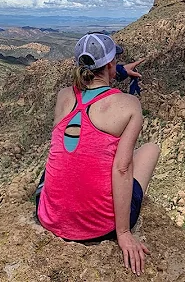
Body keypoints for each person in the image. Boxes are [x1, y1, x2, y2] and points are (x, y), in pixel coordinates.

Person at [36, 32, 160, 276]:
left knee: (67, 156)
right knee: (150, 149)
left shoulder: (64, 96)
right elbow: (122, 169)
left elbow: (90, 87)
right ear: (110, 65)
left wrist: (118, 71)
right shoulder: (130, 105)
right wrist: (123, 233)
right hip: (100, 226)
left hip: (49, 217)